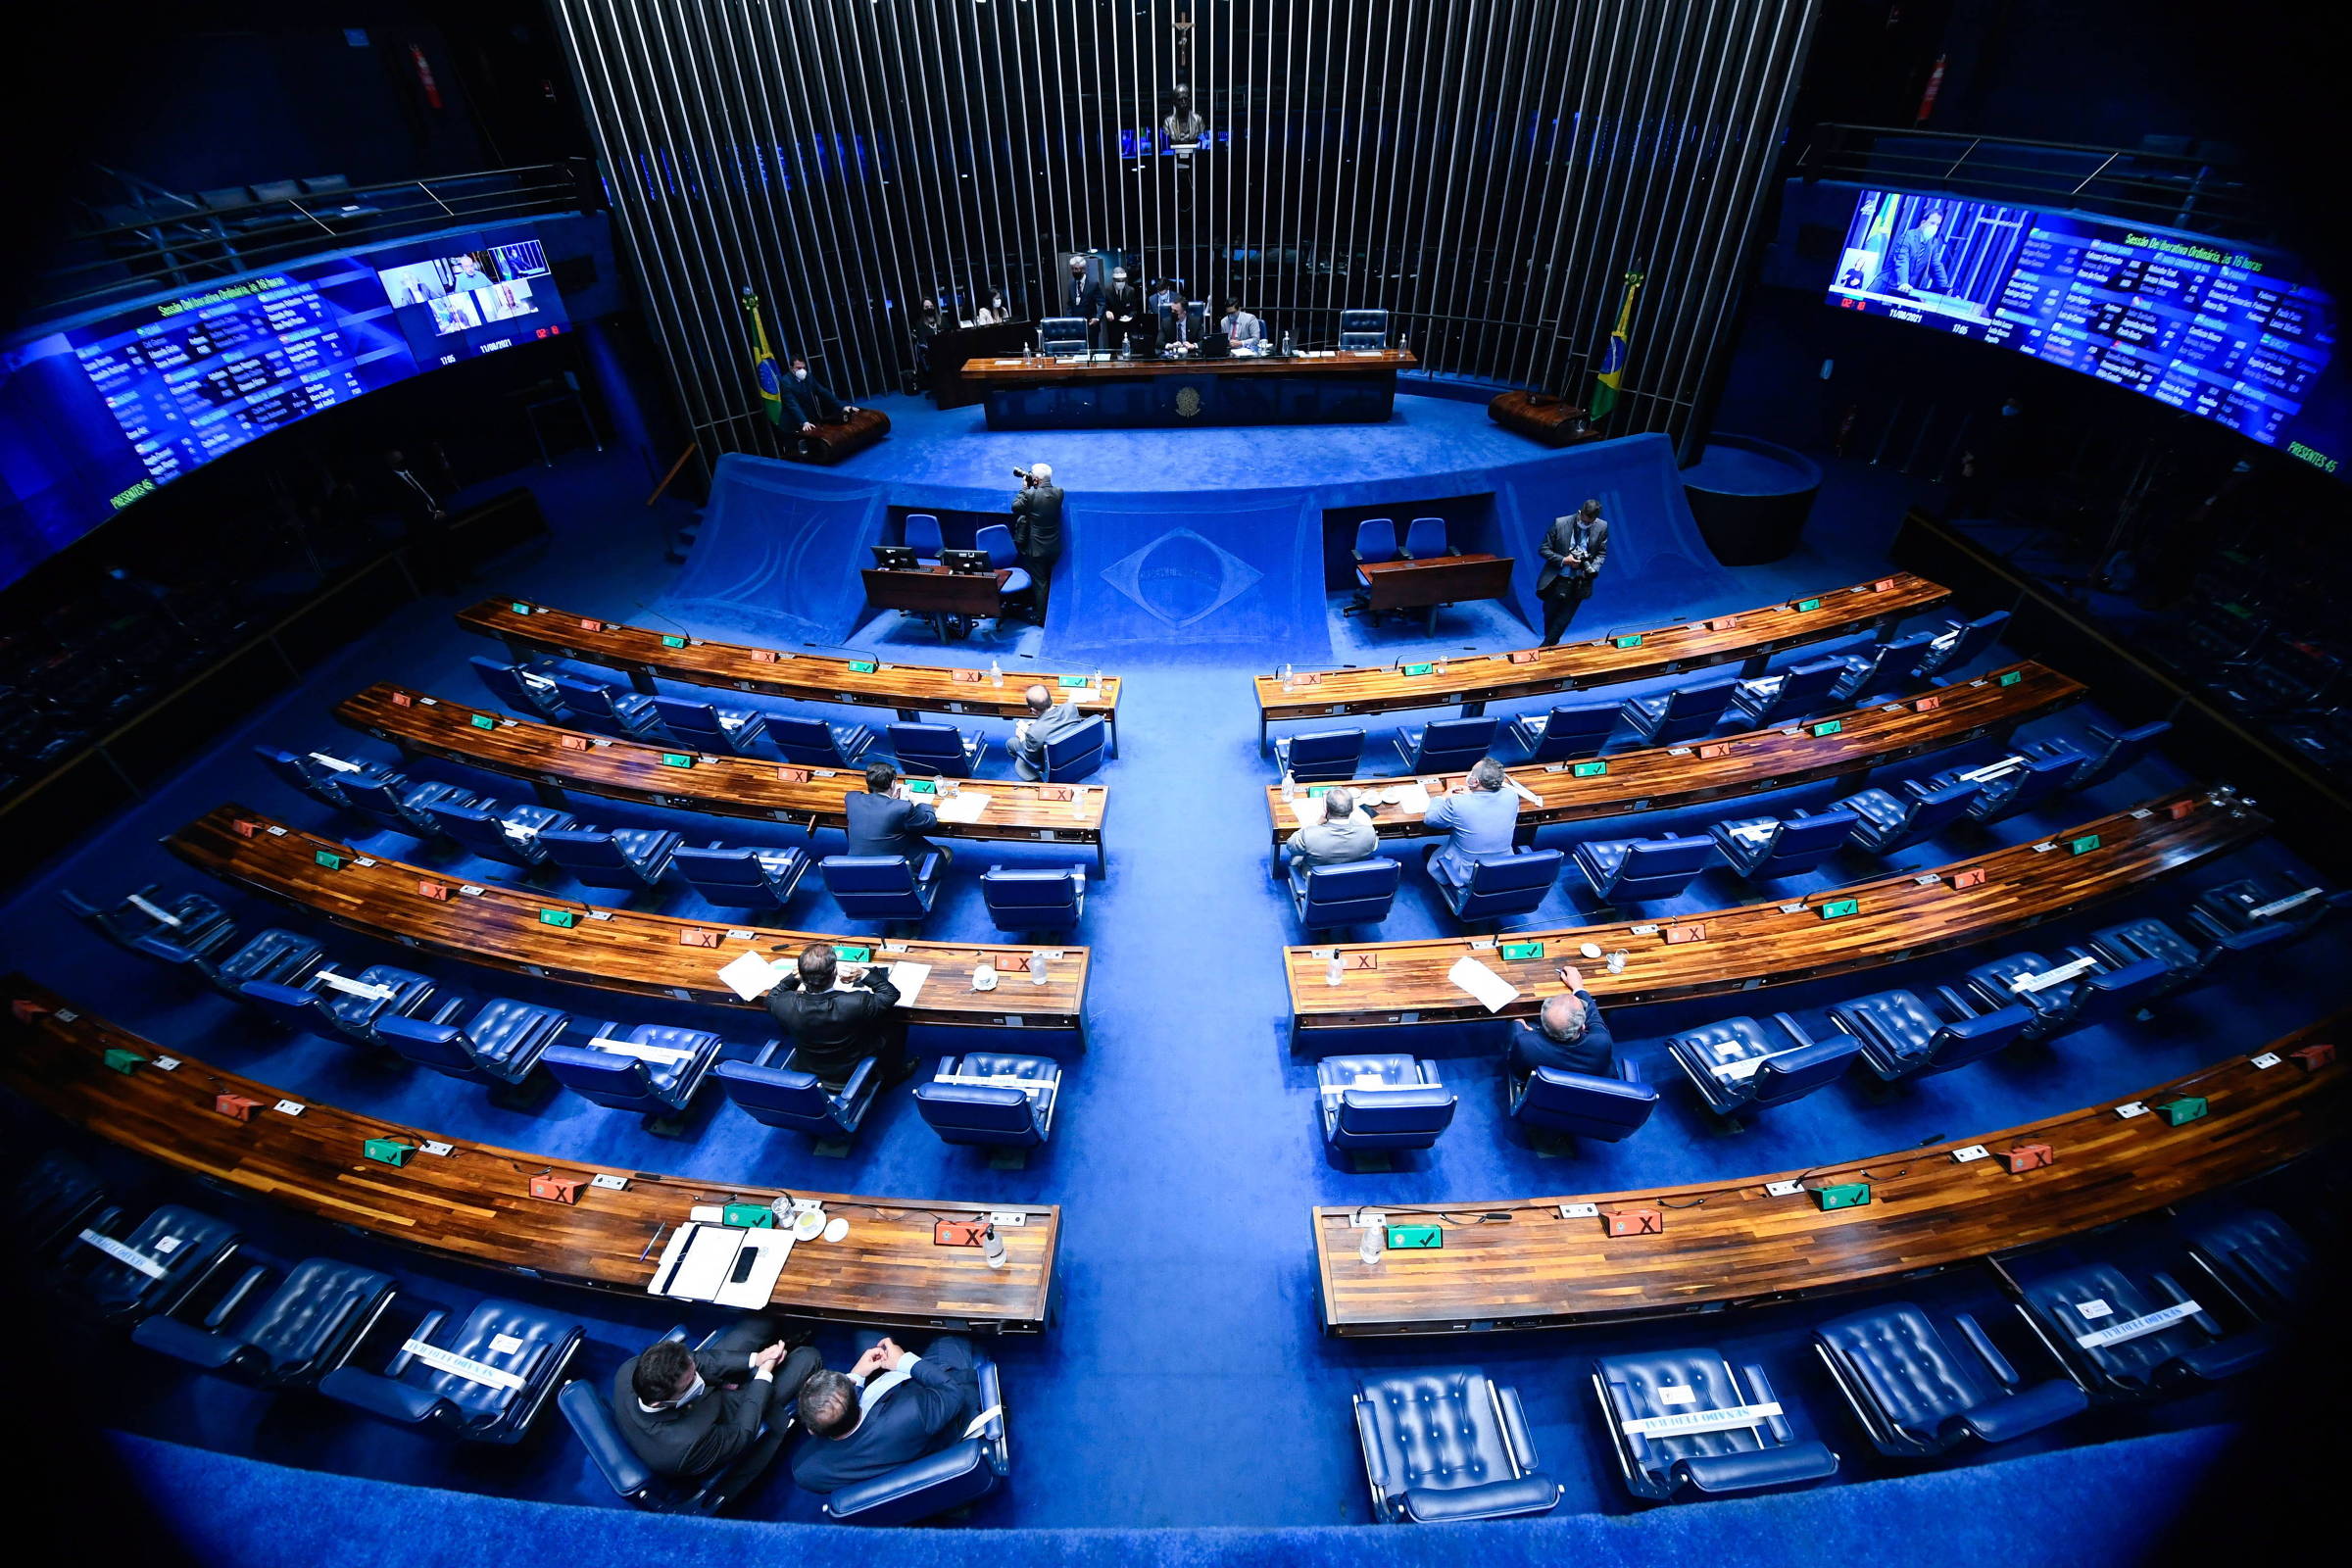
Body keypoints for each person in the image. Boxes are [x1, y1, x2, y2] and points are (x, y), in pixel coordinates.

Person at [612, 1318, 821, 1499]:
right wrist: (764, 1373)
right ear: (660, 1403)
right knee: (808, 1358)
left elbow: (696, 1361)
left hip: (704, 1403)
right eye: (691, 1382)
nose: (699, 1379)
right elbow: (742, 1432)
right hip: (726, 1421)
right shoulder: (688, 1445)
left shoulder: (630, 1370)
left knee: (762, 1323)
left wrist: (755, 1359)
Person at [790, 1335, 982, 1495]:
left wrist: (856, 1374)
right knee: (950, 1334)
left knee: (867, 1332)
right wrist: (904, 1361)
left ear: (812, 1431)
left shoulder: (806, 1471)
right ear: (855, 1399)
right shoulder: (912, 1412)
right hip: (935, 1393)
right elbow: (953, 1394)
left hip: (891, 1419)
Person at [762, 944, 909, 1086]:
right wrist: (864, 974)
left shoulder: (783, 1004)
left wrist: (793, 978)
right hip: (849, 1072)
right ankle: (892, 1075)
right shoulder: (855, 1002)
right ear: (834, 973)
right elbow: (890, 994)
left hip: (806, 1067)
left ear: (801, 974)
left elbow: (771, 997)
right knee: (894, 1023)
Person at [1421, 758, 1520, 891]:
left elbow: (1431, 820)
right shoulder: (1512, 796)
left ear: (1475, 781)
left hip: (1468, 873)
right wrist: (1474, 794)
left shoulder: (1458, 803)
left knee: (1428, 850)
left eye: (1472, 772)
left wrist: (1442, 797)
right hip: (1503, 866)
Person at [844, 760, 951, 867]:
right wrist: (920, 802)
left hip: (857, 867)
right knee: (941, 854)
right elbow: (929, 822)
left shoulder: (851, 798)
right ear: (892, 784)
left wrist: (891, 799)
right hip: (893, 868)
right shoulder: (903, 807)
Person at [1507, 975, 1616, 1079]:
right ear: (1582, 1027)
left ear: (1543, 1023)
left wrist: (1517, 1023)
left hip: (1542, 1090)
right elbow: (1594, 1017)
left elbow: (1517, 1073)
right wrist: (1578, 988)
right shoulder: (1601, 1042)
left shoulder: (1526, 1043)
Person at [1536, 498, 1610, 646]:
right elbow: (1544, 549)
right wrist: (1564, 560)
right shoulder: (1560, 523)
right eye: (1584, 521)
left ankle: (1546, 647)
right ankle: (1550, 645)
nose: (1586, 524)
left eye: (1590, 523)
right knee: (1550, 614)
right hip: (1557, 579)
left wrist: (1593, 568)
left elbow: (1601, 553)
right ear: (1579, 513)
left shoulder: (1602, 526)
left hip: (1580, 581)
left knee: (1564, 620)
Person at [1280, 785, 1377, 888]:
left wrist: (1315, 824)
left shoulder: (1309, 834)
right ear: (1352, 809)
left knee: (1296, 858)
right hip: (1353, 879)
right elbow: (1373, 847)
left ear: (1326, 810)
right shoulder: (1369, 832)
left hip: (1317, 883)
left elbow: (1290, 846)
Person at [1010, 462, 1063, 622]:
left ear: (1036, 480)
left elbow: (1015, 507)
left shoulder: (1030, 495)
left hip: (1036, 549)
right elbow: (1043, 498)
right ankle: (1048, 610)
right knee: (1049, 580)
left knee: (1040, 583)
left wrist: (1024, 488)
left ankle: (1041, 618)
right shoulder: (1059, 492)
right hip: (1054, 546)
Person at [1008, 682, 1091, 781]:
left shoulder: (1033, 733)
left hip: (1052, 763)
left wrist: (1022, 737)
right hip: (1073, 754)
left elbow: (1031, 757)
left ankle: (1033, 772)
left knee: (1011, 743)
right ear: (1051, 699)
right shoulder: (1071, 707)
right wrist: (1036, 725)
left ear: (1033, 710)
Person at [1878, 206, 1952, 299]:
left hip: (1903, 291)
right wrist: (1904, 282)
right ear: (1923, 223)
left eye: (1937, 225)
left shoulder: (1932, 243)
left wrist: (1947, 290)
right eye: (1932, 223)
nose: (1935, 227)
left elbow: (1936, 267)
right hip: (1885, 287)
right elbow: (1902, 260)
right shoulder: (1908, 236)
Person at [777, 357, 858, 435]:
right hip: (793, 422)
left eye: (804, 368)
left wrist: (842, 406)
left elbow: (823, 392)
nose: (802, 371)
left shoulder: (808, 376)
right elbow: (793, 405)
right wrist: (804, 421)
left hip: (809, 418)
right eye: (799, 368)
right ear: (791, 368)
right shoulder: (785, 382)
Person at [1100, 267, 1149, 359]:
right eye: (1118, 281)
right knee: (1114, 355)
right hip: (1113, 328)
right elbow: (1103, 307)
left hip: (1127, 328)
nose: (1121, 282)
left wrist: (1130, 316)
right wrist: (1107, 312)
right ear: (1114, 280)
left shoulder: (1130, 290)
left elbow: (1134, 309)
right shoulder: (1107, 291)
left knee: (1128, 353)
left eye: (1123, 280)